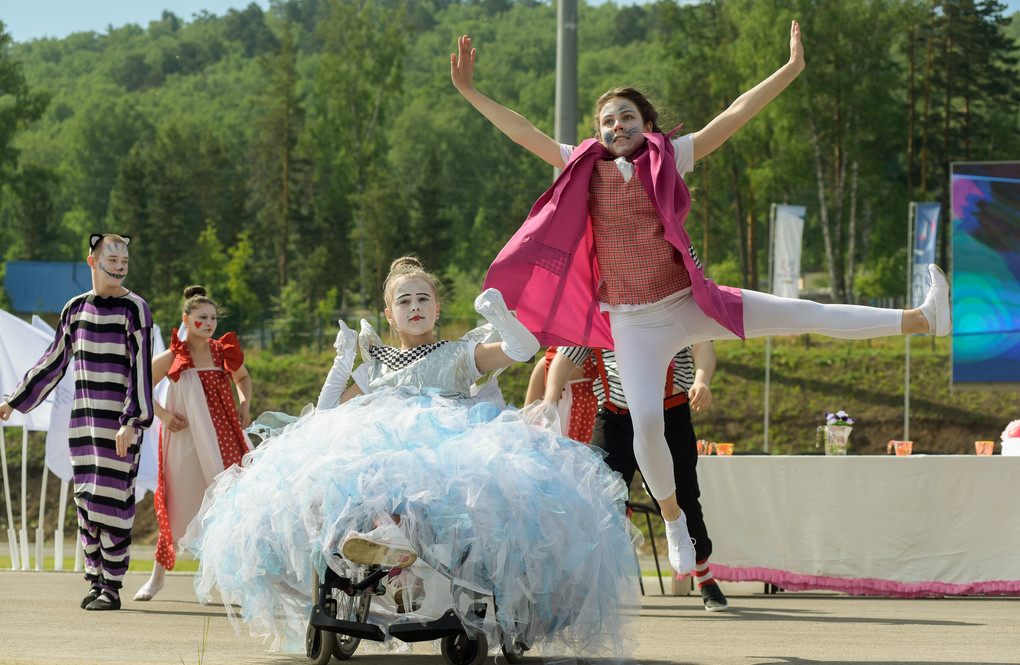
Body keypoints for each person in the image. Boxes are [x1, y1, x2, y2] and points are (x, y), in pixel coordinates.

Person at [451, 24, 952, 577]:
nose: (617, 126)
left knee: (803, 312)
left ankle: (922, 318)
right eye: (608, 120)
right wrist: (472, 93)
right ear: (597, 131)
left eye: (628, 117)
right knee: (645, 426)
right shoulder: (582, 164)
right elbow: (523, 132)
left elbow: (734, 116)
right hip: (633, 325)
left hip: (690, 302)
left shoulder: (671, 157)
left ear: (647, 126)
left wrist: (788, 71)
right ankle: (671, 521)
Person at [183, 256, 641, 658]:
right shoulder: (378, 361)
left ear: (437, 309)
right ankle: (387, 549)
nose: (415, 306)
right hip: (380, 441)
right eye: (404, 301)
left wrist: (500, 317)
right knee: (356, 470)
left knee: (428, 478)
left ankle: (405, 552)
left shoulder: (460, 353)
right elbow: (323, 415)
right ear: (389, 313)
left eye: (423, 298)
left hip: (451, 442)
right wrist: (343, 364)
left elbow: (523, 351)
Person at [1, 233, 154, 611]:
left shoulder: (135, 309)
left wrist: (131, 421)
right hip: (83, 425)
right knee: (86, 501)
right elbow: (53, 361)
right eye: (112, 260)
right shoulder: (75, 309)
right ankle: (95, 579)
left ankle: (112, 587)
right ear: (92, 262)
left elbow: (141, 372)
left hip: (119, 426)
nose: (120, 267)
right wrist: (14, 401)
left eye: (125, 262)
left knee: (114, 503)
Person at [544, 342, 729, 611]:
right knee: (602, 499)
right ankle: (597, 583)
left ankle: (703, 573)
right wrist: (550, 399)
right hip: (615, 417)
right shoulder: (600, 309)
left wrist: (702, 380)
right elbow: (566, 355)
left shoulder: (671, 302)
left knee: (684, 496)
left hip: (668, 415)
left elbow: (702, 343)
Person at [133, 286, 254, 602]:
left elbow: (243, 378)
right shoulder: (174, 355)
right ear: (187, 319)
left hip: (224, 434)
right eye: (203, 317)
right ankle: (157, 578)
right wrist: (162, 414)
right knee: (177, 502)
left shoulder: (221, 351)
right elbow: (139, 385)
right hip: (184, 438)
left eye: (213, 317)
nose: (210, 323)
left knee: (232, 501)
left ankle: (235, 582)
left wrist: (245, 404)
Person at [523, 346, 599, 442]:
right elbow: (528, 415)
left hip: (586, 441)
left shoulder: (597, 367)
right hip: (549, 440)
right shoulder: (546, 364)